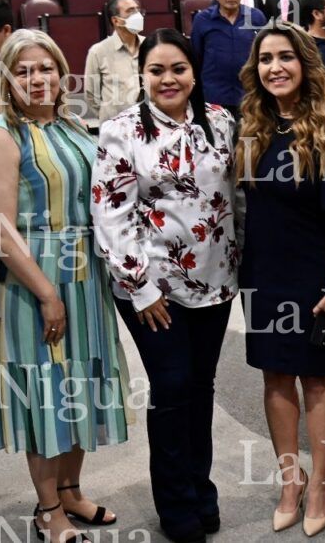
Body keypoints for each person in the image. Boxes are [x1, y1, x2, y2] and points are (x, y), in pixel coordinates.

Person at [0, 29, 130, 543]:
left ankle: (70, 491)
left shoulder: (72, 126)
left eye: (44, 68)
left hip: (86, 278)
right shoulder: (2, 136)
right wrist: (45, 292)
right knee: (46, 390)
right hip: (35, 280)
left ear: (61, 73)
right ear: (7, 79)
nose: (36, 79)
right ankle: (47, 511)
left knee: (80, 384)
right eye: (23, 71)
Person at [92, 28, 239, 543]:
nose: (168, 78)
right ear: (143, 75)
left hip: (215, 282)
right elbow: (110, 213)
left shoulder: (220, 122)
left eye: (178, 68)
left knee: (201, 388)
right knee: (173, 387)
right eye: (157, 70)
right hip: (153, 289)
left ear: (194, 72)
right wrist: (141, 287)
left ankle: (201, 488)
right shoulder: (122, 130)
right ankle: (176, 503)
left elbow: (232, 198)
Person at [236, 22, 325, 538]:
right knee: (274, 376)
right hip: (264, 273)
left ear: (306, 64)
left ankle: (321, 484)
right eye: (266, 59)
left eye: (285, 57)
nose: (275, 67)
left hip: (319, 275)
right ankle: (290, 482)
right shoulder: (252, 127)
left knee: (317, 377)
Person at [191, 0, 266, 120]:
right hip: (214, 97)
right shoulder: (202, 20)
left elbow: (265, 54)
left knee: (249, 140)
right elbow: (196, 57)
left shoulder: (256, 17)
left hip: (249, 95)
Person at [84, 0, 145, 126]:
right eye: (130, 11)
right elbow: (91, 94)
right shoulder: (98, 51)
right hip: (115, 130)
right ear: (116, 21)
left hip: (149, 125)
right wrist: (109, 118)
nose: (137, 15)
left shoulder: (150, 46)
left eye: (137, 10)